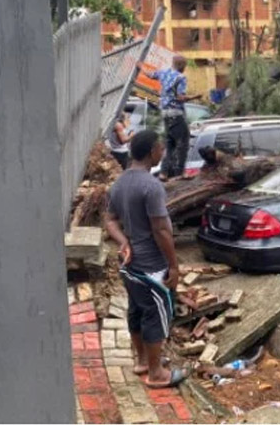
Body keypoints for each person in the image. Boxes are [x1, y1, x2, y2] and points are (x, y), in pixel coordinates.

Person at [104, 130, 188, 388]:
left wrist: (123, 241)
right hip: (151, 266)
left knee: (137, 311)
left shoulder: (118, 185)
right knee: (155, 314)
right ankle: (156, 374)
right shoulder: (151, 186)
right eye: (161, 148)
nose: (162, 152)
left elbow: (109, 220)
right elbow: (161, 229)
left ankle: (142, 361)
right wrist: (173, 265)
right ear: (152, 151)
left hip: (129, 266)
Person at [138, 56, 201, 181]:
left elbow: (150, 74)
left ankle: (163, 173)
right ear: (182, 65)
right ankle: (180, 172)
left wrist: (139, 65)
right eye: (185, 66)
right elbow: (180, 97)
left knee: (170, 143)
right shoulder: (180, 78)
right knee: (183, 142)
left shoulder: (163, 73)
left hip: (165, 113)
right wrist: (195, 97)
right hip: (176, 113)